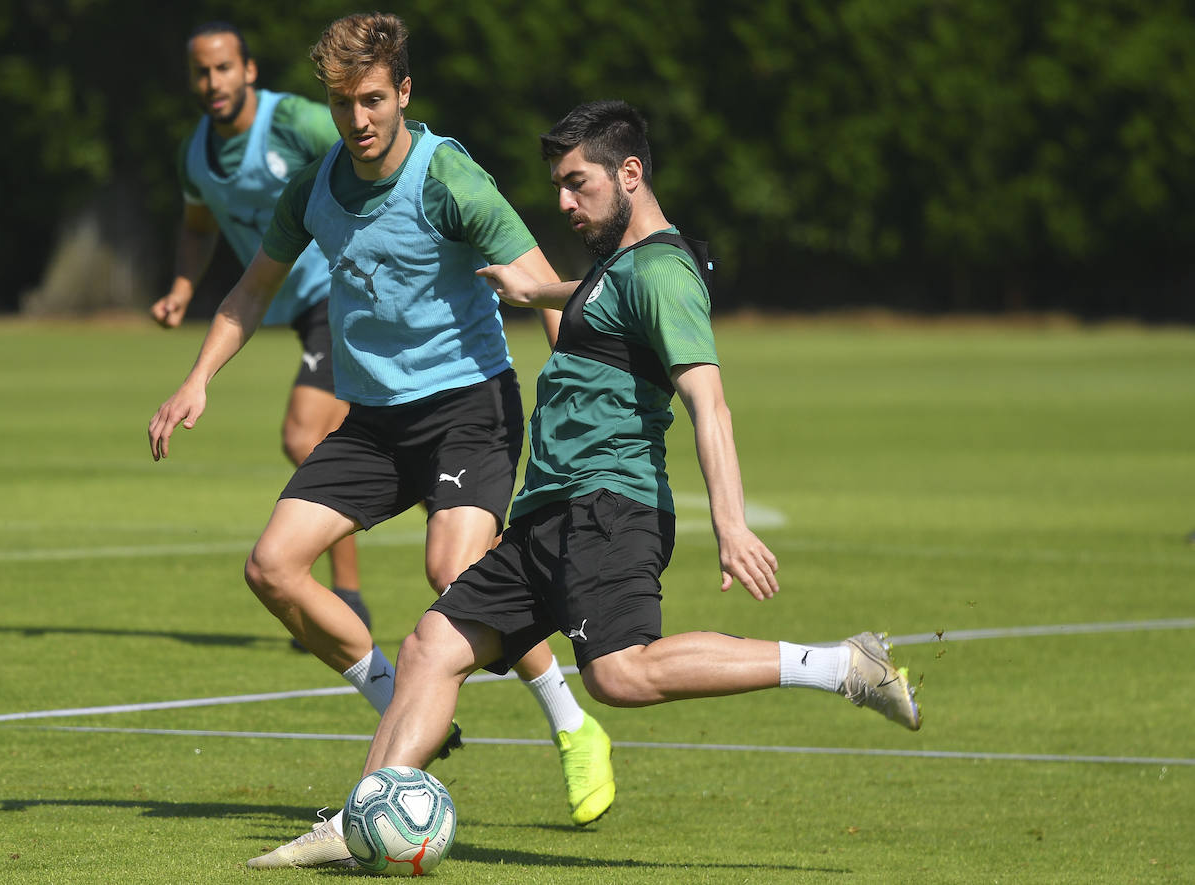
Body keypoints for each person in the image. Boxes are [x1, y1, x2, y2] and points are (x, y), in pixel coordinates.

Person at [271, 99, 924, 868]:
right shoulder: (622, 264)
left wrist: (733, 522)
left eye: (577, 183)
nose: (563, 201)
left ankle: (845, 665)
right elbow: (595, 301)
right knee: (428, 646)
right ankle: (360, 821)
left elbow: (707, 399)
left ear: (631, 173)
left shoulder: (666, 271)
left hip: (609, 503)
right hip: (548, 509)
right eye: (558, 184)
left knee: (618, 674)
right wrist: (532, 293)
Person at [146, 14, 615, 867]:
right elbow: (252, 289)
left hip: (468, 406)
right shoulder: (316, 183)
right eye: (341, 103)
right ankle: (401, 701)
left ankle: (573, 723)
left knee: (456, 577)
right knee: (271, 566)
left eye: (371, 100)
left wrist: (573, 408)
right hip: (374, 423)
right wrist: (198, 378)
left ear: (403, 93)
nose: (357, 120)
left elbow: (543, 287)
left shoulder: (450, 179)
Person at [154, 22, 368, 635]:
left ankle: (347, 599)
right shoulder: (195, 152)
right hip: (295, 308)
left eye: (223, 67)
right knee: (361, 442)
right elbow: (197, 226)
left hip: (344, 294)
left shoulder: (294, 123)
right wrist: (181, 288)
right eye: (201, 71)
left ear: (248, 71)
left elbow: (378, 155)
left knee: (304, 436)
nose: (212, 81)